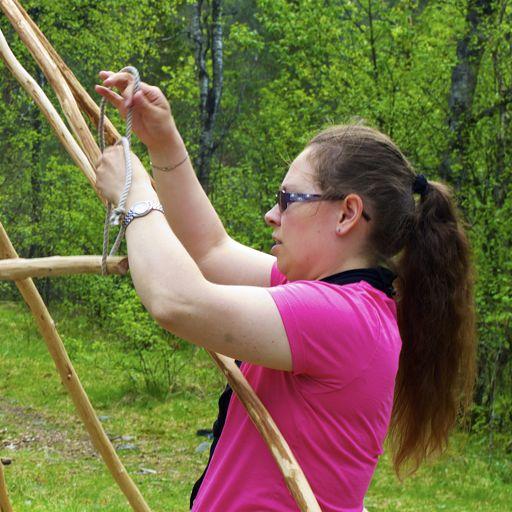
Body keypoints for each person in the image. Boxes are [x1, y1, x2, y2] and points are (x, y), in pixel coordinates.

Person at [95, 71, 476, 512]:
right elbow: (210, 252)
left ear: (347, 214)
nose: (270, 215)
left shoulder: (340, 317)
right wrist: (163, 143)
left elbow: (178, 301)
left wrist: (135, 194)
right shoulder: (338, 300)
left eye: (287, 199)